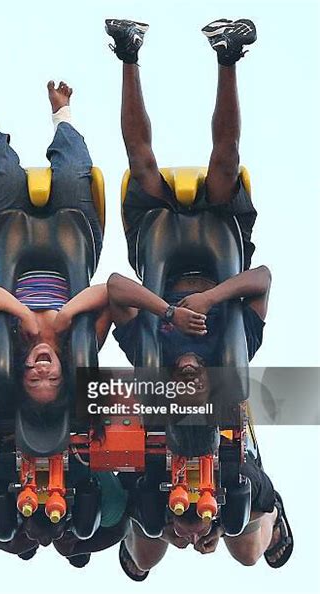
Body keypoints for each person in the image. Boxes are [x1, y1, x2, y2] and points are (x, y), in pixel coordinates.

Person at [104, 17, 293, 578]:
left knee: (142, 164)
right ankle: (228, 54)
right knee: (224, 164)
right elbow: (260, 278)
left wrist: (165, 311)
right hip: (217, 245)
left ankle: (127, 52)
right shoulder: (235, 355)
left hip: (161, 246)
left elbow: (115, 287)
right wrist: (210, 302)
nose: (188, 373)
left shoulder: (150, 354)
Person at [0, 75, 111, 408]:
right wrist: (68, 312)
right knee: (74, 173)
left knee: (4, 172)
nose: (42, 369)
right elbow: (110, 293)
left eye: (33, 378)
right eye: (52, 379)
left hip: (8, 239)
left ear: (22, 372)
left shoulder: (8, 346)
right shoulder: (80, 345)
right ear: (64, 373)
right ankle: (63, 115)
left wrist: (23, 315)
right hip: (71, 238)